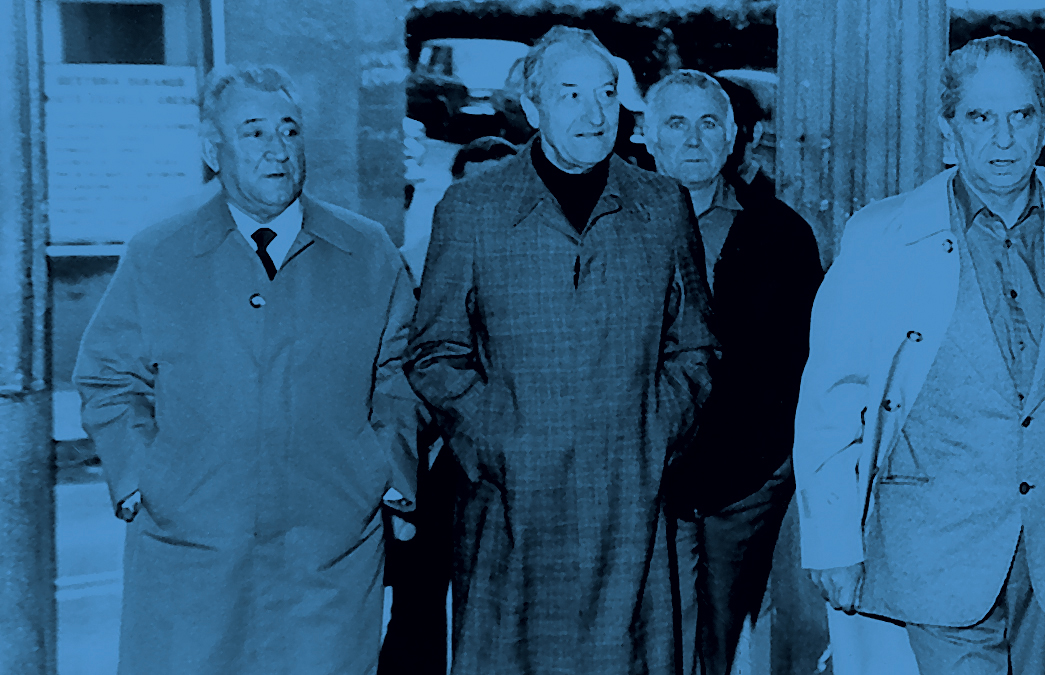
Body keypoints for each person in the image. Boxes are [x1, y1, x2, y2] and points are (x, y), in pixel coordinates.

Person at [793, 36, 1045, 675]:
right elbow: (832, 401)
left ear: (1044, 126)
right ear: (949, 129)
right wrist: (832, 542)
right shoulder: (883, 237)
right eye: (980, 117)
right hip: (930, 545)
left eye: (1021, 116)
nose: (1003, 139)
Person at [73, 64, 421, 674]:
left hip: (329, 553)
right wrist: (142, 481)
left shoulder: (368, 252)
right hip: (193, 552)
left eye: (289, 130)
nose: (276, 149)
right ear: (214, 150)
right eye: (253, 131)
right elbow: (108, 377)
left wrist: (383, 470)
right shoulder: (159, 254)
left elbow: (400, 374)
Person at [402, 26, 717, 675]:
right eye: (570, 94)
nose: (594, 113)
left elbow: (695, 347)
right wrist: (500, 441)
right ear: (533, 104)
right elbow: (435, 352)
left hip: (630, 511)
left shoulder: (662, 205)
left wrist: (653, 433)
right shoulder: (473, 208)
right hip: (512, 510)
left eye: (606, 93)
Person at [644, 70, 823, 675]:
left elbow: (803, 362)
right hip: (640, 476)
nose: (694, 139)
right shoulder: (612, 228)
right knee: (647, 635)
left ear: (732, 137)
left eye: (709, 123)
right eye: (677, 123)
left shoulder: (780, 235)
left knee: (718, 638)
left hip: (745, 481)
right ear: (648, 136)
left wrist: (773, 467)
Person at [379, 134, 519, 675]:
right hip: (433, 455)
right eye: (473, 185)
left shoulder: (535, 262)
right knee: (417, 599)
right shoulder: (413, 264)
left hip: (504, 454)